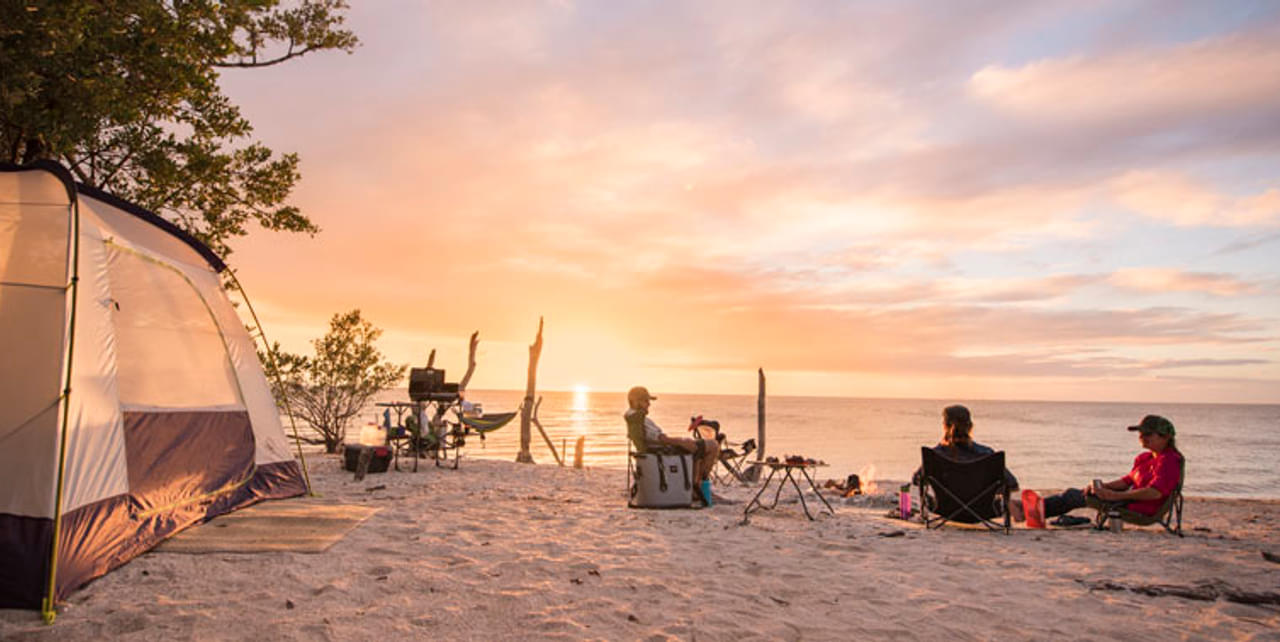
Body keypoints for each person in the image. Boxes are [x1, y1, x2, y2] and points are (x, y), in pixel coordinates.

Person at [1033, 415, 1183, 521]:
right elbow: (1126, 481)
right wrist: (1103, 487)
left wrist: (1116, 496)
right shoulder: (1145, 458)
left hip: (1139, 509)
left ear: (1165, 436)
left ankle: (1032, 511)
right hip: (1126, 501)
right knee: (1079, 493)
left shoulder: (1170, 460)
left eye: (1148, 433)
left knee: (1074, 496)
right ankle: (1030, 509)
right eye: (1141, 433)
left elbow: (1155, 493)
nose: (1142, 436)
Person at [912, 404, 1022, 519]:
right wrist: (990, 490)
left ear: (944, 426)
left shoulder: (935, 455)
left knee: (929, 497)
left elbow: (916, 480)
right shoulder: (986, 454)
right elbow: (1012, 484)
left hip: (944, 510)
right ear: (970, 426)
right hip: (984, 513)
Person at [624, 386, 719, 494]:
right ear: (636, 402)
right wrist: (682, 441)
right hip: (662, 450)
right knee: (713, 445)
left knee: (699, 448)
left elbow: (654, 439)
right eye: (646, 401)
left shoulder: (632, 418)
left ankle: (696, 487)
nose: (649, 404)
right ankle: (700, 487)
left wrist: (682, 441)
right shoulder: (641, 419)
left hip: (657, 449)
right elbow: (661, 439)